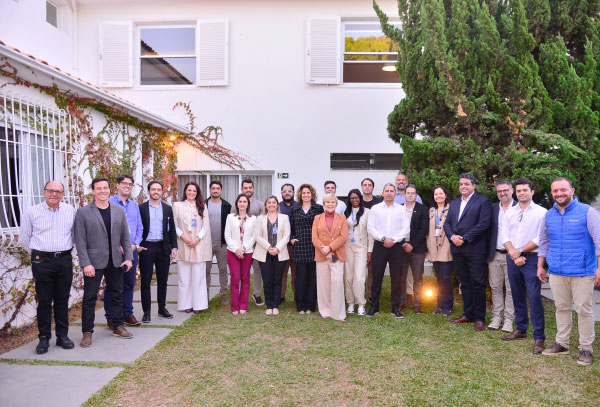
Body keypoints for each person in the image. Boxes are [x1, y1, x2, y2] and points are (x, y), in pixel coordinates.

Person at [538, 177, 600, 366]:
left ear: (572, 191)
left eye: (563, 190)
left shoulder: (588, 212)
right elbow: (544, 242)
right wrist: (540, 266)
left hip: (582, 271)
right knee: (562, 308)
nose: (559, 194)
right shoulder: (549, 215)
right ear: (552, 193)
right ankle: (562, 344)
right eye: (555, 191)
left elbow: (599, 241)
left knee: (584, 309)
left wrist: (599, 268)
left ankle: (586, 348)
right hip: (557, 271)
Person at [74, 177, 133, 347]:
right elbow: (80, 240)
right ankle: (87, 332)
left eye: (105, 188)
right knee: (90, 298)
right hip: (93, 262)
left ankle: (118, 326)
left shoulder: (118, 211)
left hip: (116, 261)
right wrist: (85, 263)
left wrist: (128, 258)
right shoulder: (83, 212)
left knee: (117, 294)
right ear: (93, 191)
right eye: (98, 188)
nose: (102, 191)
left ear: (109, 190)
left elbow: (125, 237)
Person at [19, 180, 76, 354]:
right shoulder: (32, 212)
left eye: (58, 191)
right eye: (50, 190)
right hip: (42, 261)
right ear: (44, 192)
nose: (54, 194)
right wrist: (39, 255)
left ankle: (62, 336)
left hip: (64, 260)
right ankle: (44, 338)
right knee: (44, 301)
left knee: (62, 300)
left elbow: (74, 235)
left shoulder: (70, 211)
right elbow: (24, 238)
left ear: (63, 194)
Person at [499, 178, 547, 355]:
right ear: (515, 192)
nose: (521, 193)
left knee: (534, 297)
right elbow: (504, 235)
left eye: (525, 190)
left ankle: (539, 337)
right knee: (516, 294)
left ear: (532, 192)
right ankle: (521, 329)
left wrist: (519, 251)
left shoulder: (541, 212)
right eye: (518, 191)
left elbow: (541, 238)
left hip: (532, 259)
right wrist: (513, 253)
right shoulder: (510, 212)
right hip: (513, 257)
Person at [443, 173, 491, 331]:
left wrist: (465, 238)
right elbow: (447, 223)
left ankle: (479, 318)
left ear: (473, 186)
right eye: (461, 184)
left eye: (466, 184)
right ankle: (468, 314)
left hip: (475, 249)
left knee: (478, 283)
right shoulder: (454, 203)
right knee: (464, 283)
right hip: (457, 249)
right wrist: (452, 237)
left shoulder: (483, 201)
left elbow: (484, 223)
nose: (463, 186)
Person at [366, 183, 410, 318]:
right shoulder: (375, 209)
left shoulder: (401, 209)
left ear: (395, 194)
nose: (389, 193)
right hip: (380, 246)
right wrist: (384, 238)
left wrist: (393, 240)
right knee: (376, 277)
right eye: (387, 191)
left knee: (396, 278)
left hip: (396, 247)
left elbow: (406, 228)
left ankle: (395, 308)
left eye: (392, 191)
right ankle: (374, 307)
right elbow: (370, 228)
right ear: (382, 193)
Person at [106, 175, 143, 328]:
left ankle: (127, 313)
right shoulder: (108, 203)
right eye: (124, 183)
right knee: (113, 285)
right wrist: (117, 246)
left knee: (129, 283)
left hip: (131, 251)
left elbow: (140, 227)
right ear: (117, 185)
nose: (127, 186)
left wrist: (135, 245)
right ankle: (111, 317)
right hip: (114, 251)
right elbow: (105, 228)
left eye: (130, 184)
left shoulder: (134, 206)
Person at [139, 181, 178, 323]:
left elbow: (172, 229)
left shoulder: (167, 209)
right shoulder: (141, 208)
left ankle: (162, 308)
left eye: (159, 189)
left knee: (163, 280)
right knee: (145, 281)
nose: (156, 192)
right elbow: (137, 227)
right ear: (148, 191)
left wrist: (174, 247)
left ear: (162, 192)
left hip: (163, 247)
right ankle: (146, 312)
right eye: (153, 189)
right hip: (147, 247)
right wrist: (138, 245)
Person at [173, 182, 212, 314]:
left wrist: (197, 239)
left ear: (197, 193)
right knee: (184, 278)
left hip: (198, 245)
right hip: (183, 244)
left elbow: (205, 226)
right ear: (185, 191)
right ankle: (186, 304)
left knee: (198, 277)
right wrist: (183, 237)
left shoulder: (202, 206)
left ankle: (198, 305)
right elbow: (174, 225)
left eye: (194, 191)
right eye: (189, 190)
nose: (191, 193)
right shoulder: (177, 206)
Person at [486, 180, 517, 332]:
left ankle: (509, 319)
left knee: (511, 288)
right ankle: (497, 316)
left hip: (512, 255)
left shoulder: (519, 207)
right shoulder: (492, 208)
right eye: (499, 191)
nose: (502, 193)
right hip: (495, 254)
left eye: (505, 190)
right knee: (495, 286)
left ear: (512, 190)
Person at [312, 194, 348, 321]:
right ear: (324, 204)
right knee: (323, 284)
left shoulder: (342, 218)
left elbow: (343, 237)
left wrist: (330, 248)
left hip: (337, 254)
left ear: (336, 204)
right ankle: (325, 311)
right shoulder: (317, 218)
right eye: (327, 202)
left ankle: (337, 312)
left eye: (332, 202)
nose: (330, 204)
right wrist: (325, 251)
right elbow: (314, 237)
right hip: (321, 255)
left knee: (337, 283)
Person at [290, 184, 324, 314]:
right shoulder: (295, 209)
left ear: (312, 194)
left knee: (312, 276)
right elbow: (290, 226)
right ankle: (300, 305)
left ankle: (310, 305)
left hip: (314, 246)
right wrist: (292, 238)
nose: (306, 195)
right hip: (300, 246)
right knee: (300, 277)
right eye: (303, 193)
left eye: (308, 193)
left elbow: (322, 227)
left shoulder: (318, 208)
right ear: (300, 194)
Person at [254, 196, 290, 315]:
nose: (271, 204)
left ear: (277, 205)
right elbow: (257, 236)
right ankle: (269, 305)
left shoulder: (284, 218)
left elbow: (287, 236)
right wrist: (269, 247)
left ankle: (276, 305)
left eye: (274, 202)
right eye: (269, 203)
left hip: (280, 253)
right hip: (264, 253)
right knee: (267, 280)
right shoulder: (260, 218)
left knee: (277, 280)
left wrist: (277, 248)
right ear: (265, 205)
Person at [232, 179, 265, 306]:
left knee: (257, 269)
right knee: (241, 271)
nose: (248, 190)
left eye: (250, 187)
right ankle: (240, 294)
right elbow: (232, 225)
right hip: (240, 246)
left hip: (256, 245)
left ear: (253, 189)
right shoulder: (235, 206)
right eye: (245, 188)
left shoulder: (260, 205)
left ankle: (257, 294)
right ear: (242, 189)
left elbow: (262, 225)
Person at [225, 194, 257, 315]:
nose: (242, 204)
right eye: (240, 201)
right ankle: (234, 306)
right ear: (237, 203)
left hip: (247, 252)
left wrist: (243, 248)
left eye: (245, 201)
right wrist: (236, 250)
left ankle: (243, 305)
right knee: (235, 279)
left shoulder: (253, 219)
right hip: (233, 252)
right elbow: (227, 235)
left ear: (248, 204)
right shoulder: (230, 217)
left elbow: (254, 236)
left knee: (245, 279)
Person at [400, 185, 429, 314]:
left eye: (413, 193)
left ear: (416, 195)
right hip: (401, 248)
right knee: (401, 277)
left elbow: (424, 229)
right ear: (404, 194)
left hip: (417, 249)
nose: (410, 195)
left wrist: (412, 244)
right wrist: (403, 244)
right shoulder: (398, 209)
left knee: (418, 277)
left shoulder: (423, 209)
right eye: (408, 193)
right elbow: (395, 228)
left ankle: (417, 304)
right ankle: (401, 302)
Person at [343, 189, 373, 316]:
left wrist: (370, 250)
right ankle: (351, 302)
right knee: (348, 277)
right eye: (352, 198)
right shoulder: (346, 212)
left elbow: (370, 233)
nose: (354, 200)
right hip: (348, 247)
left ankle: (361, 303)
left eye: (356, 197)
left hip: (361, 248)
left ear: (360, 198)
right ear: (349, 200)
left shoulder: (367, 212)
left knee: (359, 277)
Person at [426, 185, 454, 316]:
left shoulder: (451, 209)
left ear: (445, 195)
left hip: (446, 247)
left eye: (441, 193)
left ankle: (448, 305)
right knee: (439, 278)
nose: (438, 196)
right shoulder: (432, 211)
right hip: (434, 247)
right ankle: (440, 304)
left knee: (446, 278)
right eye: (436, 194)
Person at [205, 180, 232, 305]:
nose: (215, 190)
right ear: (210, 190)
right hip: (206, 243)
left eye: (217, 188)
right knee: (206, 270)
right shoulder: (203, 204)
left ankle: (223, 295)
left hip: (222, 244)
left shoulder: (227, 206)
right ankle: (205, 295)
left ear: (221, 190)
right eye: (213, 188)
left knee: (223, 269)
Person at [361, 177, 381, 300]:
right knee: (360, 270)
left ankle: (371, 295)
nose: (367, 187)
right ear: (362, 187)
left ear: (373, 187)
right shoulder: (357, 201)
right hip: (360, 240)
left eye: (369, 185)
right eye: (365, 185)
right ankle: (360, 294)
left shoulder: (379, 203)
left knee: (373, 270)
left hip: (375, 240)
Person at [279, 183, 297, 303]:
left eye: (289, 191)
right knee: (282, 272)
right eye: (284, 191)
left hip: (295, 245)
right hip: (282, 245)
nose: (287, 193)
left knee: (296, 273)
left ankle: (297, 296)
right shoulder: (278, 206)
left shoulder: (299, 206)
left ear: (293, 193)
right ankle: (281, 296)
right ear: (281, 193)